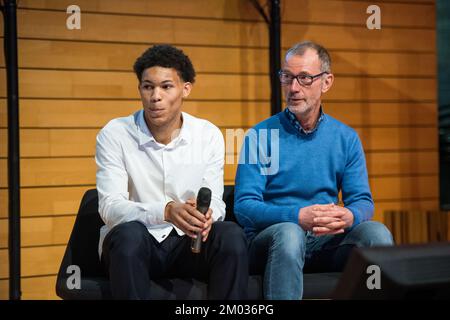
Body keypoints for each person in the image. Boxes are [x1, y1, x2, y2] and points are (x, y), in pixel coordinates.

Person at [234, 41, 394, 300]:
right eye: (287, 77)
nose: (294, 88)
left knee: (377, 233)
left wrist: (349, 216)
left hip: (325, 240)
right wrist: (297, 216)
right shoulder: (260, 136)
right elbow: (244, 207)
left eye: (304, 78)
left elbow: (362, 201)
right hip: (274, 240)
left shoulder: (346, 138)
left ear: (326, 82)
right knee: (290, 233)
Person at [95, 44, 248, 300]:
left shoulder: (207, 134)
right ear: (140, 90)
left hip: (190, 244)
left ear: (185, 89)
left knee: (231, 235)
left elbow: (217, 201)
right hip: (137, 246)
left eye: (166, 86)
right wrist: (166, 211)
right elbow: (110, 208)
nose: (156, 96)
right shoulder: (115, 133)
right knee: (129, 236)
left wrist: (207, 216)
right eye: (148, 86)